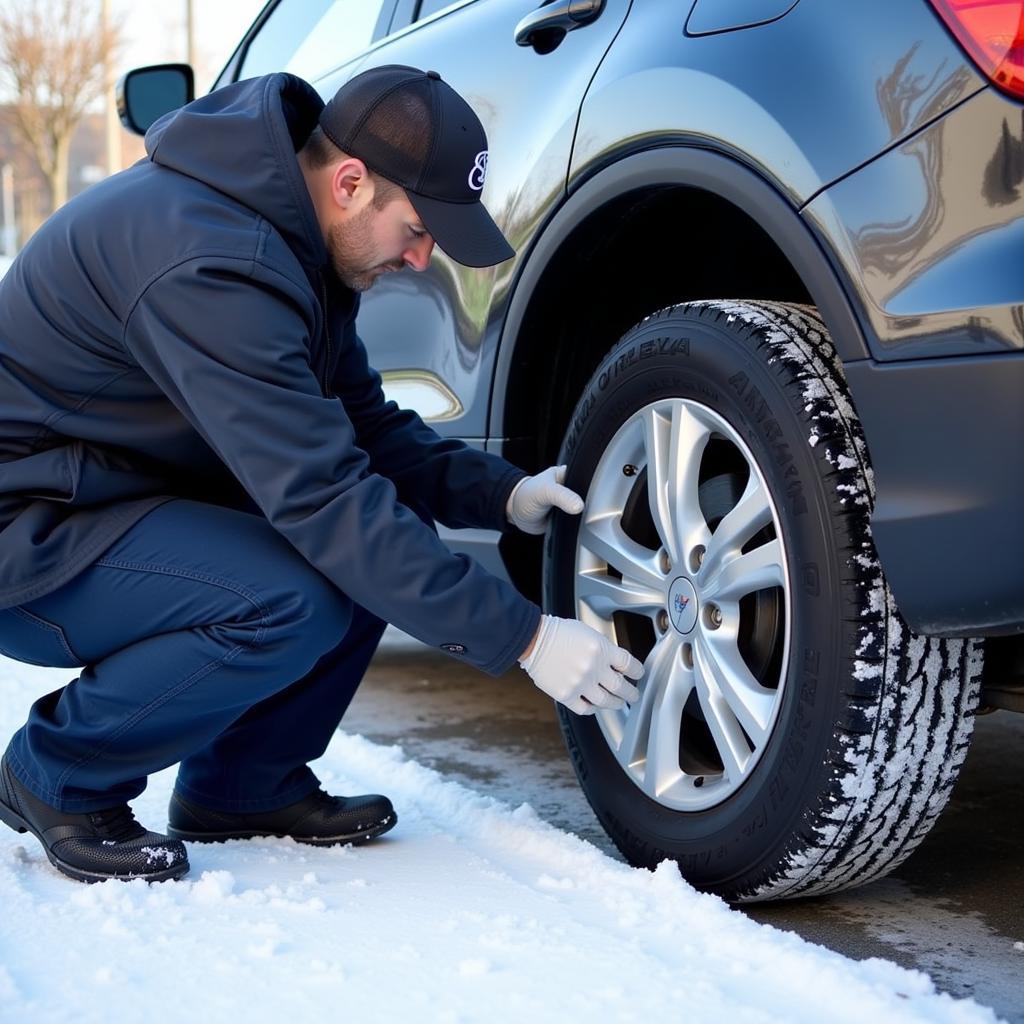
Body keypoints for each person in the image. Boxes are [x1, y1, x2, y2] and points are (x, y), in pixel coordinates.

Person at [0, 65, 643, 884]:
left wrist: (500, 492)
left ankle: (241, 789)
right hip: (29, 537)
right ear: (349, 183)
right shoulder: (211, 261)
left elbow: (362, 432)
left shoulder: (291, 242)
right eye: (418, 228)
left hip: (110, 503)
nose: (420, 258)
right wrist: (525, 637)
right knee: (289, 597)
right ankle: (58, 774)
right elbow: (326, 499)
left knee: (371, 536)